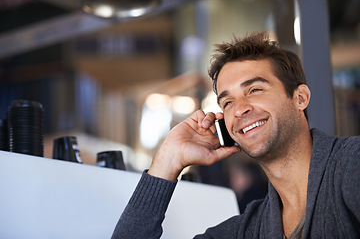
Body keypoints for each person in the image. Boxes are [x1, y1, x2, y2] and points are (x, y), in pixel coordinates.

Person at [111, 32, 360, 238]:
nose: (240, 108)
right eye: (227, 102)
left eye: (254, 89)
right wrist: (169, 159)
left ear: (300, 98)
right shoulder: (247, 230)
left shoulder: (351, 165)